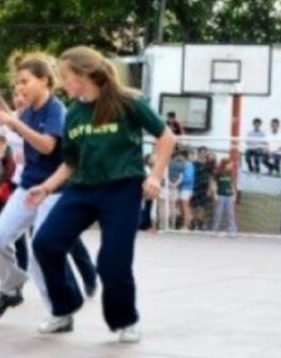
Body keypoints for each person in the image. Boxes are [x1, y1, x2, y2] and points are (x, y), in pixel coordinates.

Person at [29, 46, 176, 341]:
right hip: (81, 189)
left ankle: (125, 321)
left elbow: (166, 136)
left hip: (121, 190)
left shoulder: (128, 102)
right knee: (45, 243)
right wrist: (46, 187)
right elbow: (71, 162)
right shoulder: (73, 113)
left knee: (112, 262)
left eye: (65, 76)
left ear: (83, 75)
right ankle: (65, 307)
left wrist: (156, 176)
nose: (62, 82)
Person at [0, 57, 69, 324]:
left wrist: (16, 124)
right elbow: (10, 118)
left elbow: (47, 146)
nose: (20, 87)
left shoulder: (56, 110)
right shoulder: (28, 111)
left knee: (40, 252)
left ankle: (60, 314)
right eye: (17, 82)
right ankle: (12, 287)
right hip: (27, 186)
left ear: (44, 80)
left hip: (53, 191)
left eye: (25, 81)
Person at [211, 157, 237, 236]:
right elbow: (214, 184)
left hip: (229, 196)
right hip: (221, 195)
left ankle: (232, 231)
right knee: (218, 213)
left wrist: (234, 194)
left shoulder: (230, 173)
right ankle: (214, 230)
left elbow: (232, 185)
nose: (231, 166)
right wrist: (215, 194)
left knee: (230, 214)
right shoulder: (218, 173)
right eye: (230, 164)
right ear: (225, 165)